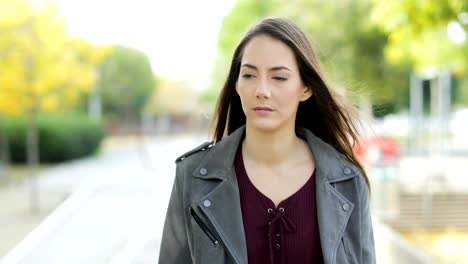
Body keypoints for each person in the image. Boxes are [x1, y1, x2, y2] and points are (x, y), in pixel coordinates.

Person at [158, 17, 375, 264]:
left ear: (306, 88)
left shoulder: (347, 180)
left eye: (279, 77)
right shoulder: (193, 176)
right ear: (237, 84)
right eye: (249, 75)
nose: (262, 90)